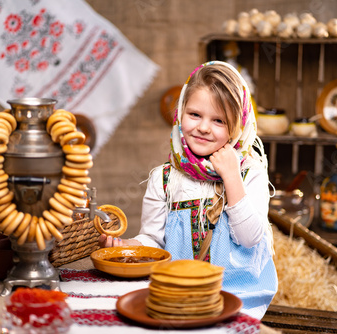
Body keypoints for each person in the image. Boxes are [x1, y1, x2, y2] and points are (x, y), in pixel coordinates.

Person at [99, 60, 277, 319]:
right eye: (195, 114)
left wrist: (231, 176)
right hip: (178, 295)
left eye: (219, 120)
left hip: (238, 298)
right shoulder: (166, 178)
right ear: (180, 113)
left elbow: (250, 238)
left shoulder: (249, 173)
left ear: (238, 126)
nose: (203, 127)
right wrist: (127, 246)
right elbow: (153, 240)